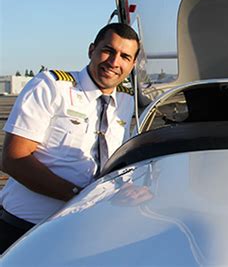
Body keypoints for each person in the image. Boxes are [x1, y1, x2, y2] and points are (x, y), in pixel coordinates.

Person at [0, 23, 140, 253]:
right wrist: (81, 196)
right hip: (26, 233)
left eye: (125, 56)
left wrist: (131, 190)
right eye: (108, 50)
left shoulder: (126, 102)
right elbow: (14, 158)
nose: (114, 62)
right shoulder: (52, 87)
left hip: (84, 232)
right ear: (91, 50)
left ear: (132, 64)